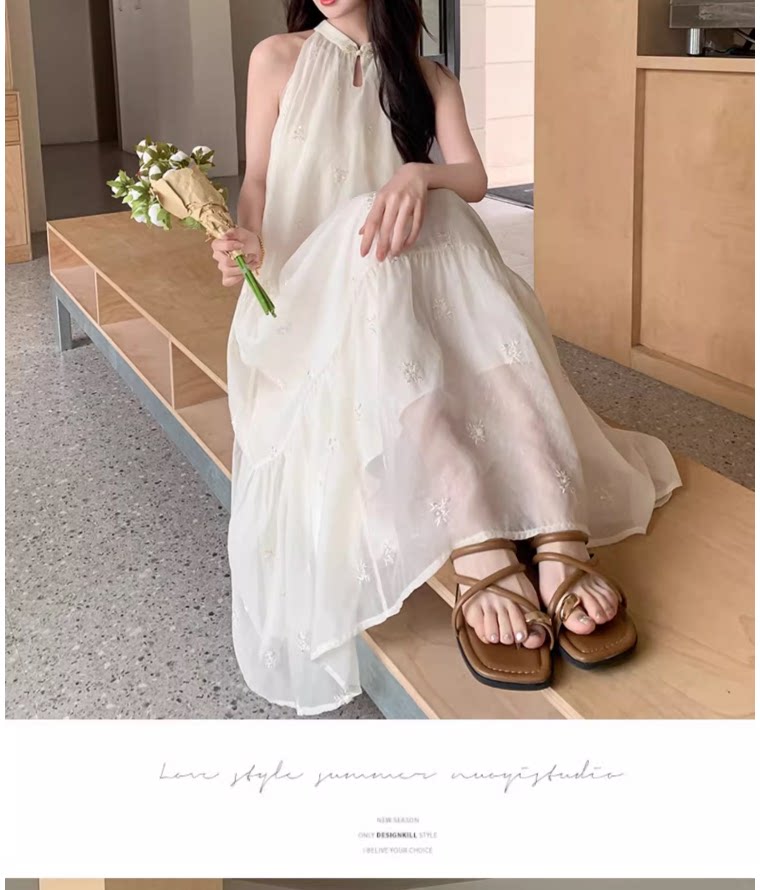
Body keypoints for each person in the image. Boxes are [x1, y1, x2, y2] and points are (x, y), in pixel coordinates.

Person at [211, 0, 682, 715]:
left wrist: (418, 175)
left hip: (401, 271)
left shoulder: (428, 78)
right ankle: (477, 523)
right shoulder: (277, 58)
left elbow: (471, 177)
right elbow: (258, 181)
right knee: (369, 225)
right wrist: (246, 238)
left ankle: (548, 508)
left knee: (444, 214)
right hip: (307, 295)